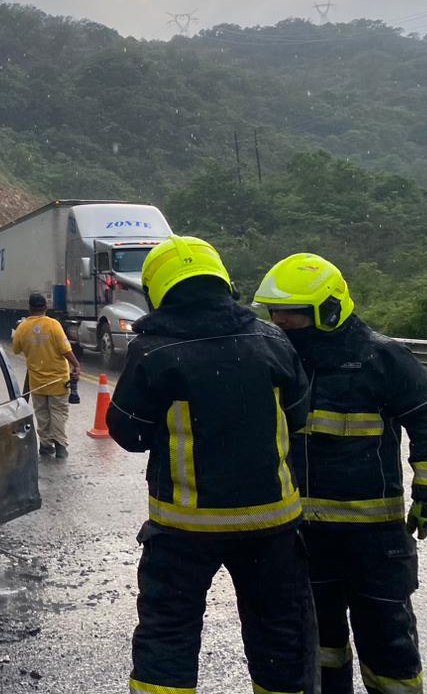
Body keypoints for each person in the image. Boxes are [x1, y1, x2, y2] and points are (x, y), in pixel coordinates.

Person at [107, 235, 316, 694]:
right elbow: (299, 414)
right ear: (221, 280)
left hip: (185, 530)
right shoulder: (272, 339)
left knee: (169, 637)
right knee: (279, 636)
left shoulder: (154, 350)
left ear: (157, 289)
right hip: (271, 525)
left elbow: (128, 433)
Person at [255, 253, 427, 694]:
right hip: (303, 536)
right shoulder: (280, 361)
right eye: (275, 313)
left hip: (374, 538)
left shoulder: (381, 357)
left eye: (292, 314)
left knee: (388, 644)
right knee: (319, 646)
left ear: (328, 310)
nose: (282, 322)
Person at [11, 292, 82, 458]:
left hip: (37, 382)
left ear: (29, 308)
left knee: (42, 414)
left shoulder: (23, 328)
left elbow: (16, 349)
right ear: (46, 307)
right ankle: (60, 446)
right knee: (58, 413)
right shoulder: (53, 325)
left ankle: (45, 445)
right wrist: (76, 364)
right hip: (58, 380)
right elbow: (66, 350)